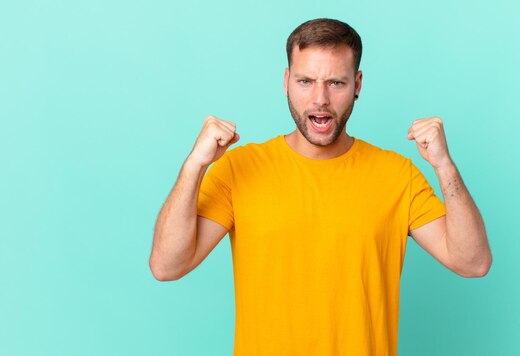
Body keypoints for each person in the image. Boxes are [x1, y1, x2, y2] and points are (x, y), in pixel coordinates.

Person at [150, 18, 492, 356]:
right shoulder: (239, 169)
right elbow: (167, 266)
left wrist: (444, 166)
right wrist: (195, 165)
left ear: (357, 84)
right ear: (286, 81)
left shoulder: (397, 175)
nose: (320, 99)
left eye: (336, 83)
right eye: (305, 81)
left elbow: (472, 263)